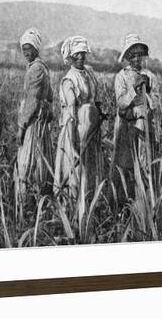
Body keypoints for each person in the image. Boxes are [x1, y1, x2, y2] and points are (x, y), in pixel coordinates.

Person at [54, 36, 104, 201]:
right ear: (70, 57)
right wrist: (73, 142)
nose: (81, 57)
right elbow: (70, 114)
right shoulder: (69, 80)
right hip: (76, 130)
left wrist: (99, 112)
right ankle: (72, 205)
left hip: (92, 129)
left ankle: (90, 202)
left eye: (83, 53)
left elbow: (95, 97)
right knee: (76, 169)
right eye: (77, 54)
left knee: (91, 167)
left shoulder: (89, 72)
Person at [112, 33, 161, 202]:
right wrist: (134, 88)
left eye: (140, 54)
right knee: (128, 166)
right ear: (127, 57)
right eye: (133, 55)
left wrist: (146, 91)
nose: (137, 58)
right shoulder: (122, 77)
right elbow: (121, 104)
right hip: (127, 127)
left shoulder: (150, 77)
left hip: (146, 126)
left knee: (146, 164)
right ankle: (127, 204)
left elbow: (155, 103)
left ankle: (147, 203)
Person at [16, 28, 54, 200]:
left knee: (28, 162)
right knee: (41, 160)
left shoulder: (36, 69)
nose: (26, 52)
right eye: (24, 49)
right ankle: (39, 200)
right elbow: (50, 96)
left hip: (33, 123)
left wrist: (21, 126)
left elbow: (32, 99)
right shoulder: (41, 67)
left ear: (36, 48)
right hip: (40, 121)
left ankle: (27, 203)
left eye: (29, 48)